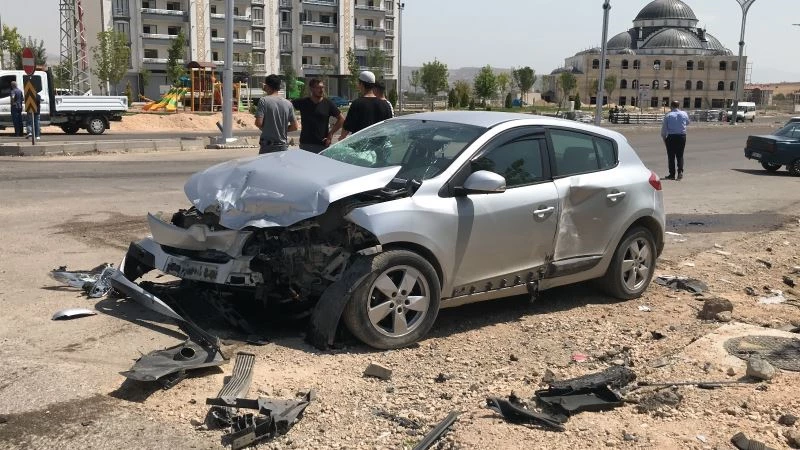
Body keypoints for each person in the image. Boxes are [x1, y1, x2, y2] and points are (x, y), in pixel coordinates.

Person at [291, 78, 345, 153]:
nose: (321, 90)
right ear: (311, 89)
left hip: (322, 144)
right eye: (318, 88)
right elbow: (286, 105)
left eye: (322, 87)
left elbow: (341, 119)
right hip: (305, 144)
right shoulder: (303, 102)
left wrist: (331, 133)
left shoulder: (328, 103)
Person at [339, 71, 393, 140]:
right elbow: (389, 127)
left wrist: (341, 138)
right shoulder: (385, 105)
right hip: (379, 144)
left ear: (361, 84)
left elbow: (347, 127)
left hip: (360, 144)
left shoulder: (357, 104)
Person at [254, 74, 299, 154]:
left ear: (267, 86)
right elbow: (295, 127)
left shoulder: (263, 101)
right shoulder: (288, 103)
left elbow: (258, 123)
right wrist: (281, 129)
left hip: (267, 146)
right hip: (283, 146)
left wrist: (269, 129)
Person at [660, 100, 690, 180]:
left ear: (671, 106)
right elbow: (687, 122)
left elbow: (664, 129)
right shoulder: (684, 114)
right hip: (682, 136)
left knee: (671, 156)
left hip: (671, 137)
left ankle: (672, 174)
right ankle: (680, 172)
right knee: (680, 155)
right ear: (678, 106)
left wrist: (664, 139)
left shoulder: (668, 115)